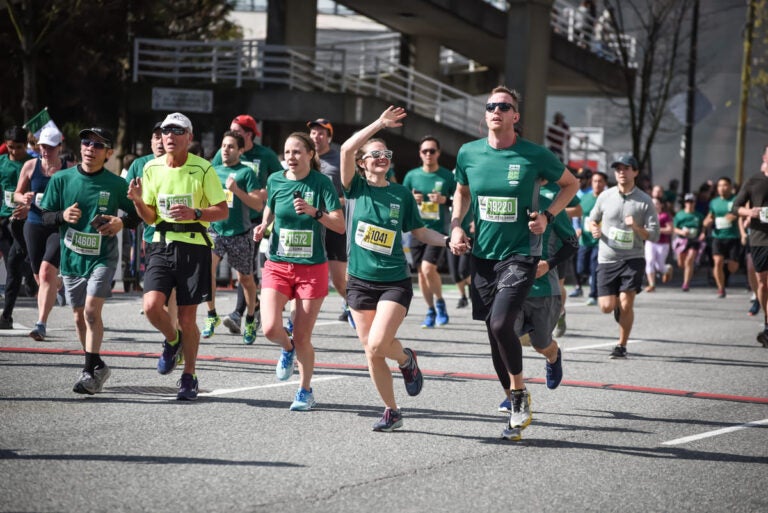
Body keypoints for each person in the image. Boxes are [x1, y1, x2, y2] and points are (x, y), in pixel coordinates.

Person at [450, 86, 579, 440]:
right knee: (495, 334)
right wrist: (458, 226)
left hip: (521, 254)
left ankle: (519, 395)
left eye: (504, 106)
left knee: (502, 321)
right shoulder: (468, 153)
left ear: (515, 117)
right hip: (483, 256)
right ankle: (513, 404)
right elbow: (461, 191)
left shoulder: (533, 155)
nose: (496, 110)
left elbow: (570, 184)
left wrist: (549, 217)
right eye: (490, 105)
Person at [340, 106, 449, 432]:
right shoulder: (355, 188)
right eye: (374, 154)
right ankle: (392, 410)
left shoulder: (401, 194)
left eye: (385, 153)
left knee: (376, 344)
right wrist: (378, 123)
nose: (381, 157)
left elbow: (419, 232)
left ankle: (406, 360)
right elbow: (345, 148)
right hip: (359, 282)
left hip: (393, 281)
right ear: (362, 163)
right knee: (371, 352)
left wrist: (447, 240)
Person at [127, 112, 228, 400]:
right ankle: (172, 342)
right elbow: (149, 217)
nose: (169, 136)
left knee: (187, 317)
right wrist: (136, 202)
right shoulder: (151, 168)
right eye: (165, 131)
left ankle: (189, 375)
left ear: (189, 137)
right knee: (151, 306)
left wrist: (195, 213)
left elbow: (222, 211)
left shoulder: (204, 169)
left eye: (176, 131)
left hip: (194, 245)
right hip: (160, 243)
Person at [39, 127, 139, 394]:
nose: (90, 148)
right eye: (86, 142)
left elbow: (139, 215)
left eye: (98, 145)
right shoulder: (61, 179)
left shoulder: (116, 183)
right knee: (78, 317)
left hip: (103, 258)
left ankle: (87, 371)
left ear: (108, 153)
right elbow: (45, 216)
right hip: (72, 259)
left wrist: (120, 222)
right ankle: (98, 367)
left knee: (92, 312)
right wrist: (62, 216)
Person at [253, 132, 344, 411]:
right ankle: (286, 349)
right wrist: (263, 224)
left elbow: (339, 225)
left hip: (312, 268)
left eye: (297, 152)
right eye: (287, 152)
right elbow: (270, 207)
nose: (291, 158)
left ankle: (305, 391)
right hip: (278, 264)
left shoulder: (322, 183)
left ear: (310, 155)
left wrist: (313, 211)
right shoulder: (276, 179)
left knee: (303, 336)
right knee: (269, 328)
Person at [499, 182, 578, 412]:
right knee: (503, 339)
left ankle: (553, 356)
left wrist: (549, 263)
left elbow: (572, 243)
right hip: (511, 288)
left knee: (541, 344)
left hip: (544, 290)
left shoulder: (551, 205)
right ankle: (514, 393)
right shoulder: (506, 202)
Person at [214, 114, 282, 336]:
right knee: (229, 270)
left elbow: (282, 179)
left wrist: (267, 192)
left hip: (253, 220)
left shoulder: (266, 155)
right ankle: (250, 309)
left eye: (237, 131)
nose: (232, 134)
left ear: (248, 134)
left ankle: (240, 313)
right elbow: (213, 175)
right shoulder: (223, 154)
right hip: (225, 220)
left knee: (245, 271)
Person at [587, 154, 659, 359]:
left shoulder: (645, 201)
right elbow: (592, 219)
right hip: (607, 258)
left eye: (626, 168)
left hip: (632, 258)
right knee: (606, 307)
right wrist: (594, 229)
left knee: (627, 303)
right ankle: (616, 304)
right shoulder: (605, 196)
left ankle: (621, 345)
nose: (621, 172)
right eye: (618, 169)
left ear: (635, 172)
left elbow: (654, 234)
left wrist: (636, 227)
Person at [200, 131, 263, 344]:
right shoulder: (212, 170)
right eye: (224, 146)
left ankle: (252, 319)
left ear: (240, 150)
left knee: (245, 279)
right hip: (215, 230)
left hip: (240, 233)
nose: (226, 150)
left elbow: (257, 205)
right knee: (207, 270)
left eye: (231, 147)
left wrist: (236, 190)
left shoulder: (246, 173)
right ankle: (211, 315)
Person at [14, 126, 65, 340]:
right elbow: (17, 193)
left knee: (45, 273)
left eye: (50, 147)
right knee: (39, 275)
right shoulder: (30, 166)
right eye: (42, 146)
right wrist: (24, 199)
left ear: (59, 147)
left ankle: (40, 324)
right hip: (34, 224)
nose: (45, 151)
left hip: (56, 226)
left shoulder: (67, 169)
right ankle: (58, 284)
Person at [402, 136, 456, 328]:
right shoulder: (411, 176)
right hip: (416, 230)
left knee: (428, 269)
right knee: (421, 274)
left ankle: (440, 303)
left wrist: (445, 201)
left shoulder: (447, 177)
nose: (428, 154)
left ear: (438, 153)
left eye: (432, 151)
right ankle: (431, 309)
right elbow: (401, 202)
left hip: (437, 231)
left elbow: (461, 200)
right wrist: (411, 200)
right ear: (420, 153)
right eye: (425, 151)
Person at [307, 118, 351, 325]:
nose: (317, 136)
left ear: (329, 137)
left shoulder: (339, 158)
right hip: (310, 224)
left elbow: (351, 193)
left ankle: (353, 303)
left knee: (339, 280)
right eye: (314, 132)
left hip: (334, 220)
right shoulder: (305, 157)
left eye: (322, 133)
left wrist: (333, 202)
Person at [125, 121, 167, 298]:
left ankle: (170, 315)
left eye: (163, 138)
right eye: (156, 137)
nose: (160, 142)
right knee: (155, 274)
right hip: (151, 232)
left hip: (180, 232)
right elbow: (125, 195)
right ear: (151, 141)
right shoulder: (139, 164)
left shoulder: (182, 164)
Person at [732, 144, 768, 346]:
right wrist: (750, 212)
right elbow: (735, 207)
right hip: (760, 238)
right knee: (763, 282)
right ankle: (766, 319)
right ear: (764, 157)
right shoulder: (754, 181)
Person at [0, 126, 32, 329]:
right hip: (4, 222)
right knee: (11, 267)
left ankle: (30, 276)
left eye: (18, 147)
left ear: (25, 145)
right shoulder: (1, 163)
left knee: (15, 263)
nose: (14, 151)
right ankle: (7, 316)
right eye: (10, 147)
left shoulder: (32, 164)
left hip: (24, 222)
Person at [703, 177, 740, 298]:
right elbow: (710, 216)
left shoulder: (735, 200)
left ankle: (727, 267)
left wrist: (733, 216)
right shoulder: (714, 202)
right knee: (717, 262)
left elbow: (741, 212)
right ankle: (721, 288)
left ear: (730, 186)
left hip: (733, 236)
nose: (722, 188)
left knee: (733, 267)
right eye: (719, 185)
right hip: (718, 236)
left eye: (724, 185)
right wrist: (707, 221)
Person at [575, 170, 607, 305]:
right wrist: (577, 227)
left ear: (604, 183)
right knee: (580, 268)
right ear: (591, 182)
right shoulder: (585, 198)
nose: (597, 184)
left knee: (594, 266)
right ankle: (592, 279)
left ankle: (593, 294)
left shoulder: (607, 199)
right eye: (595, 181)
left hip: (600, 240)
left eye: (600, 181)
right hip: (585, 238)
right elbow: (577, 214)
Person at [673, 193, 705, 292]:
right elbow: (674, 228)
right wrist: (682, 231)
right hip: (682, 240)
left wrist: (703, 234)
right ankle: (688, 270)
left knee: (689, 260)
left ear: (695, 203)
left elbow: (703, 227)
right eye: (687, 201)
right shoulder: (680, 214)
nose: (689, 204)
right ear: (685, 203)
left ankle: (686, 283)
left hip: (694, 240)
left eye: (691, 202)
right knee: (681, 263)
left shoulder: (699, 215)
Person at [644, 197, 673, 291]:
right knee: (650, 261)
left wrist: (658, 230)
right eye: (652, 203)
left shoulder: (665, 215)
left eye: (656, 203)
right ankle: (652, 284)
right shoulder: (647, 215)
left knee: (660, 266)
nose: (654, 205)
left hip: (662, 243)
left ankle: (667, 269)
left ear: (661, 205)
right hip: (650, 242)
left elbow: (670, 230)